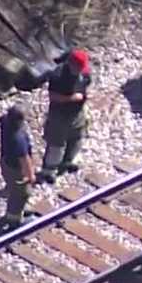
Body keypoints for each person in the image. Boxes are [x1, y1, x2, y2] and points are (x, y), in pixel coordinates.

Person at [38, 49, 92, 184]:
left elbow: (85, 86)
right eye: (79, 67)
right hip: (59, 115)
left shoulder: (84, 74)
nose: (81, 70)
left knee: (77, 137)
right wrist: (72, 98)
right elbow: (53, 96)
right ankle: (49, 171)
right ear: (71, 64)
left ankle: (69, 161)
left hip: (77, 113)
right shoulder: (58, 75)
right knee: (56, 144)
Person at [0, 103, 37, 230]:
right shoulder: (18, 139)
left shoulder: (5, 122)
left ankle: (18, 211)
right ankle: (14, 220)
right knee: (21, 193)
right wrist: (31, 176)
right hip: (16, 169)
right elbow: (24, 160)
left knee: (13, 188)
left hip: (6, 163)